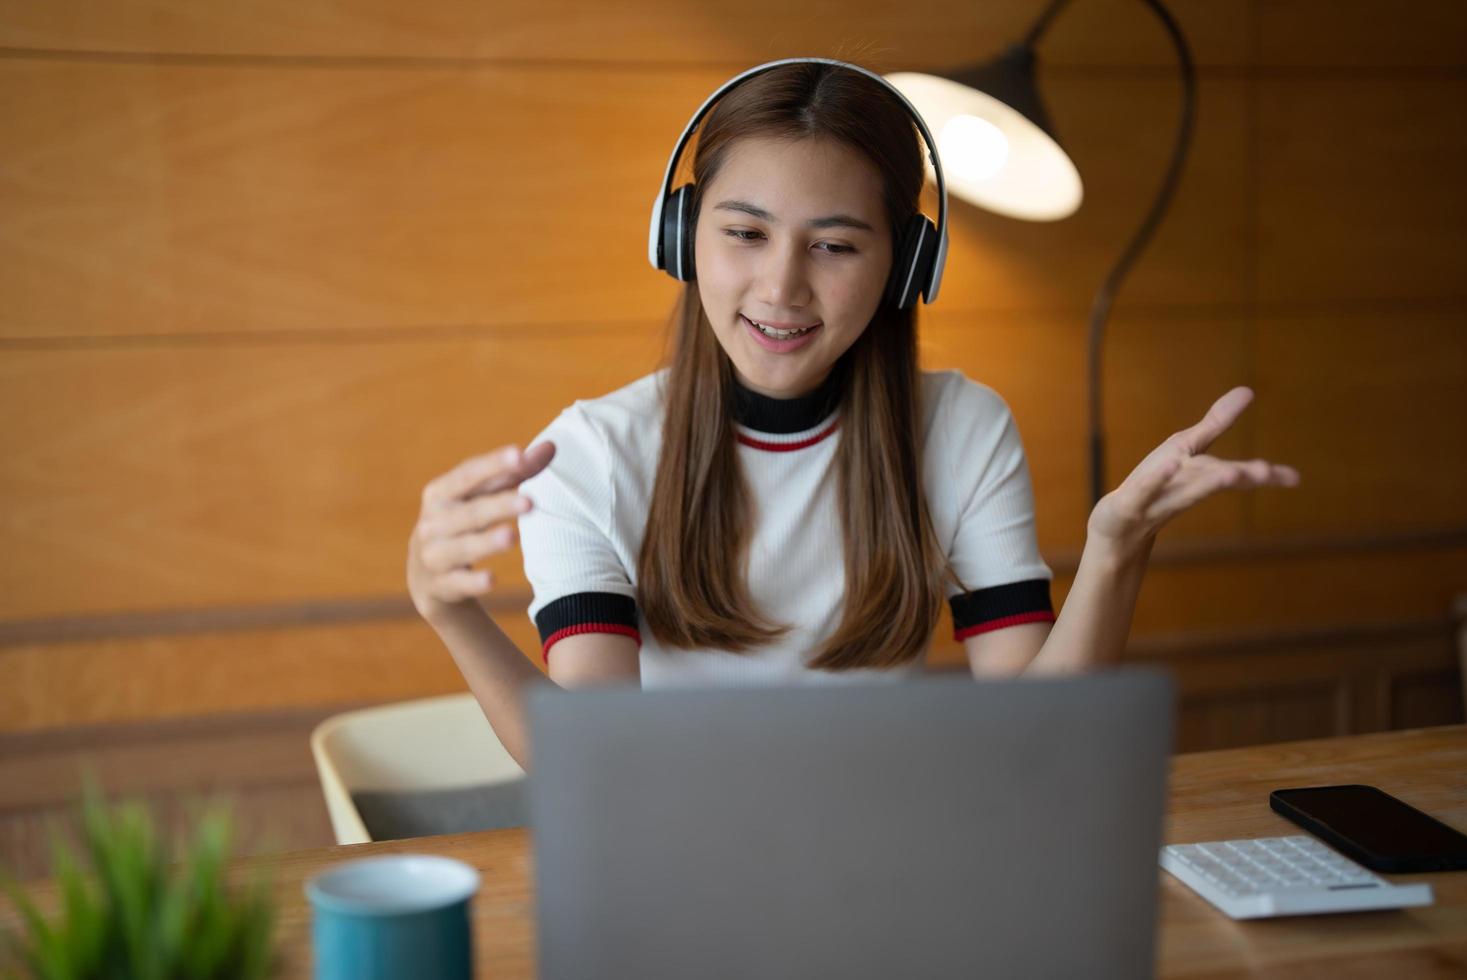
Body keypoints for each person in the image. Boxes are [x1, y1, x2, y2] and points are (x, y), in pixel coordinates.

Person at [405, 59, 1299, 772]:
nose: (782, 286)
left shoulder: (963, 429)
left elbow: (1039, 732)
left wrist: (1115, 549)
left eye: (834, 245)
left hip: (892, 862)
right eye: (745, 233)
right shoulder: (591, 454)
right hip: (680, 866)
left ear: (906, 268)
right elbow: (593, 760)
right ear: (679, 237)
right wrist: (449, 611)